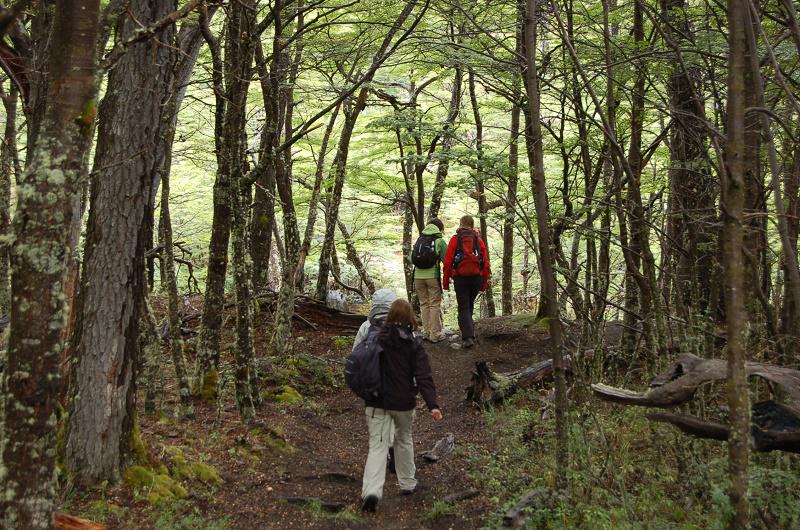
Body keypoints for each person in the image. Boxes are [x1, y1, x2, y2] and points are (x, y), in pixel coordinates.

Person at [361, 299, 443, 513]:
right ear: (410, 318)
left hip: (377, 401)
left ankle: (371, 491)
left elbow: (363, 368)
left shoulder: (375, 338)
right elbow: (424, 376)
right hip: (403, 403)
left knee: (378, 446)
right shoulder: (413, 344)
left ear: (390, 316)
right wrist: (432, 405)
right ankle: (407, 483)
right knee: (404, 440)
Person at [442, 215, 491, 348]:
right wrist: (484, 284)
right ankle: (469, 332)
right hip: (477, 278)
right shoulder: (478, 240)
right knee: (468, 305)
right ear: (472, 225)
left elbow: (447, 263)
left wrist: (445, 283)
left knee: (463, 306)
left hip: (460, 278)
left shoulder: (455, 240)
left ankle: (468, 336)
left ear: (461, 224)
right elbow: (486, 264)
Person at [409, 218, 447, 342]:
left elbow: (411, 258)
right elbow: (446, 259)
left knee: (424, 304)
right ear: (439, 228)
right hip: (432, 276)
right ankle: (435, 334)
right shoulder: (439, 241)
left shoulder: (419, 240)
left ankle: (426, 332)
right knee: (434, 304)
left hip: (418, 277)